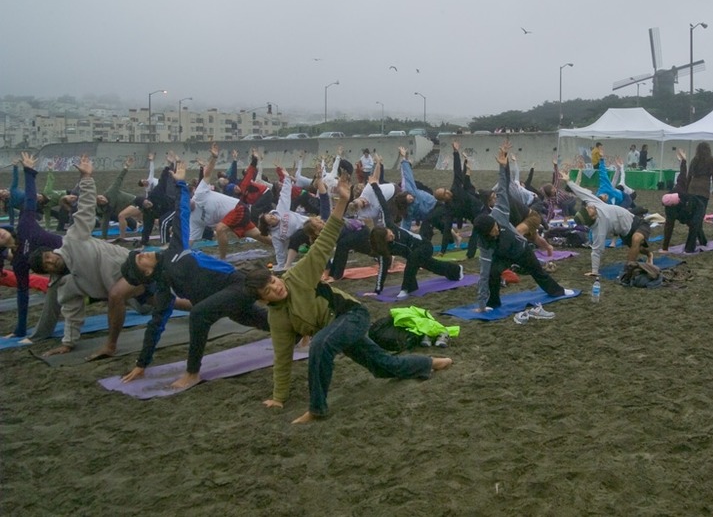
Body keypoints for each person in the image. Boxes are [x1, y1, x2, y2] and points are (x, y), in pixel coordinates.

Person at [244, 176, 452, 425]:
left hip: (352, 315)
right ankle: (427, 363)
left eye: (273, 282)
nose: (276, 288)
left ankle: (317, 409)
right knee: (381, 365)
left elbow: (325, 241)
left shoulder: (297, 277)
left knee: (320, 344)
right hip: (335, 330)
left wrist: (342, 201)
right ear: (264, 301)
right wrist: (278, 397)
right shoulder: (276, 318)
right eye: (268, 291)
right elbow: (282, 357)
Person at [118, 161, 270, 390]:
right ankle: (302, 333)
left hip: (237, 283)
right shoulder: (163, 287)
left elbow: (182, 213)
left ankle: (192, 373)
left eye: (139, 253)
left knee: (198, 315)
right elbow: (155, 326)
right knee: (263, 320)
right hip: (224, 300)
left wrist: (180, 184)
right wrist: (141, 364)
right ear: (146, 273)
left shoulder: (175, 249)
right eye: (140, 259)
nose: (144, 254)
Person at [27, 155, 149, 358]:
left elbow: (84, 211)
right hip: (119, 284)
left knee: (127, 296)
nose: (51, 261)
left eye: (48, 256)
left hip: (133, 264)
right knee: (166, 301)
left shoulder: (73, 240)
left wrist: (86, 179)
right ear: (46, 272)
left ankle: (111, 345)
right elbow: (72, 314)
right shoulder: (65, 287)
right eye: (46, 265)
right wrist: (67, 344)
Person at [472, 147, 571, 310]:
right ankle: (492, 303)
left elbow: (503, 189)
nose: (496, 230)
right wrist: (481, 304)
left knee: (538, 272)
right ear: (485, 234)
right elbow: (482, 275)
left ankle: (558, 291)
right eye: (492, 231)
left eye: (495, 227)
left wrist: (503, 167)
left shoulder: (499, 214)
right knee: (491, 274)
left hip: (520, 249)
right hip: (502, 256)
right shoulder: (484, 245)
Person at [367, 160, 463, 300]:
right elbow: (382, 270)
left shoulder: (389, 224)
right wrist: (377, 291)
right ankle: (456, 270)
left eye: (390, 232)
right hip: (415, 255)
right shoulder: (384, 250)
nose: (392, 234)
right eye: (389, 236)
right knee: (434, 266)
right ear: (383, 241)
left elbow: (383, 204)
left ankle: (406, 288)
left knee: (412, 259)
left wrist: (375, 185)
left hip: (424, 245)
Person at [0, 152, 63, 339]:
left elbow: (29, 198)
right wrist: (20, 328)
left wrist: (29, 171)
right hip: (60, 269)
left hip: (72, 248)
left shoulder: (25, 224)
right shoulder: (18, 262)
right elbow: (22, 293)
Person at [561, 166, 653, 277]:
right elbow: (596, 251)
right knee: (638, 247)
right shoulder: (598, 229)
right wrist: (594, 271)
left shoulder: (594, 203)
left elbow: (581, 193)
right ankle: (649, 255)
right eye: (589, 210)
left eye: (587, 208)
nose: (590, 207)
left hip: (637, 222)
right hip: (625, 233)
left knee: (636, 239)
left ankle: (628, 271)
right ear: (592, 218)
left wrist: (568, 181)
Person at [659, 148, 707, 254]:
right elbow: (668, 228)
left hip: (698, 206)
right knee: (694, 225)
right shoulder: (670, 209)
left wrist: (684, 160)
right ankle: (704, 242)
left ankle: (689, 249)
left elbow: (683, 173)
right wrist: (665, 248)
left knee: (694, 225)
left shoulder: (680, 189)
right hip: (685, 211)